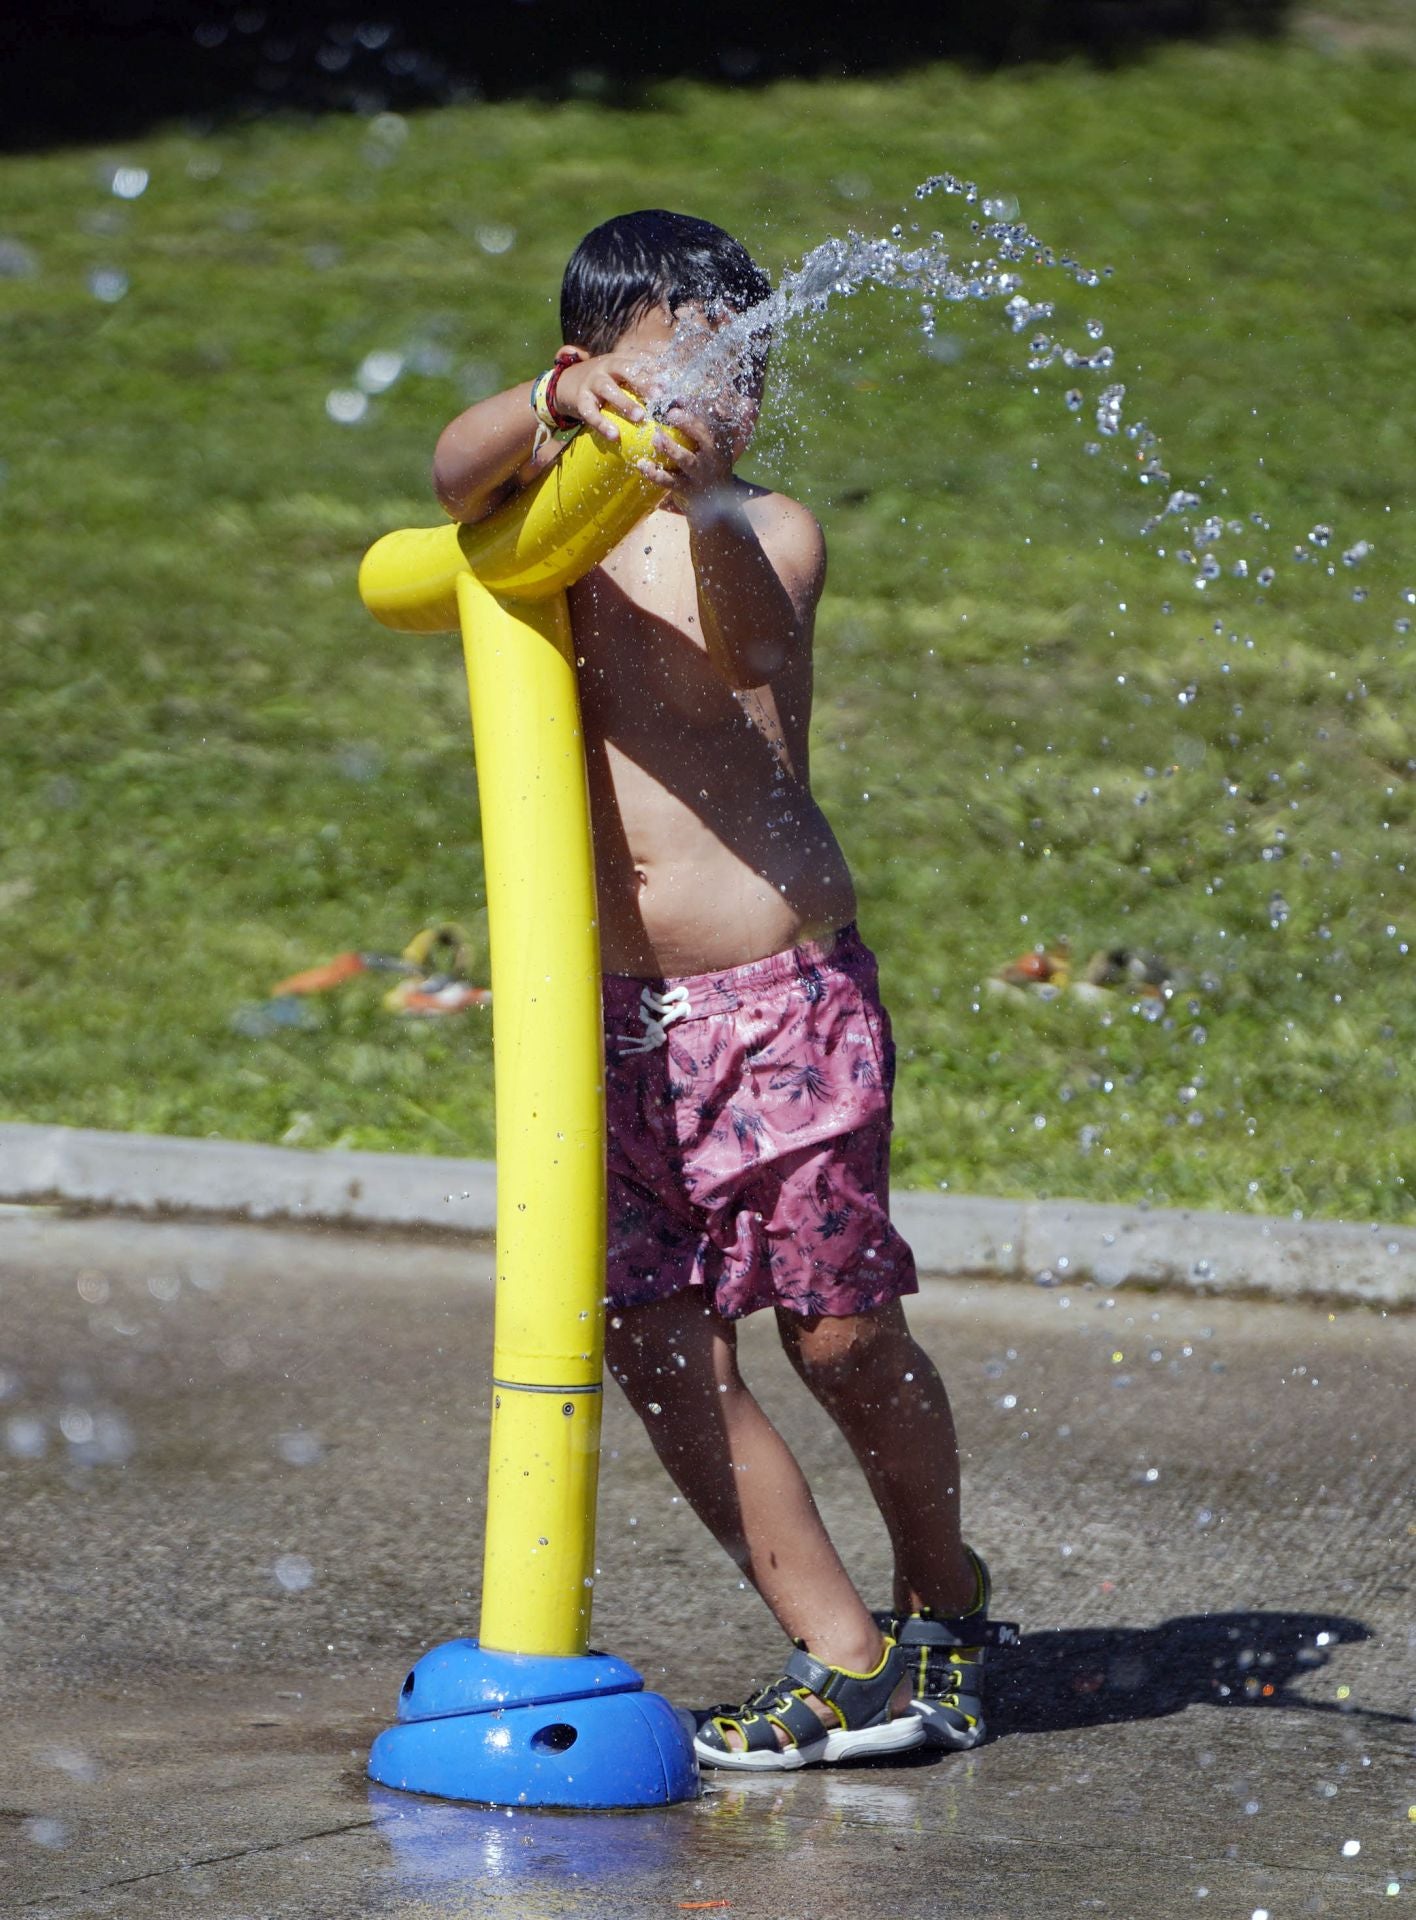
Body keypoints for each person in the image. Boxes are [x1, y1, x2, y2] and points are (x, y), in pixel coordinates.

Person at [432, 209, 1013, 1772]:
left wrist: (695, 501)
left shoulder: (767, 529)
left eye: (744, 368)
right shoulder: (533, 515)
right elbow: (447, 469)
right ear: (587, 371)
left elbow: (752, 648)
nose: (718, 398)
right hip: (616, 1031)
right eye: (678, 367)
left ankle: (945, 1604)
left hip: (782, 1007)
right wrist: (548, 412)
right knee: (657, 1344)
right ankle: (842, 1654)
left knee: (841, 1338)